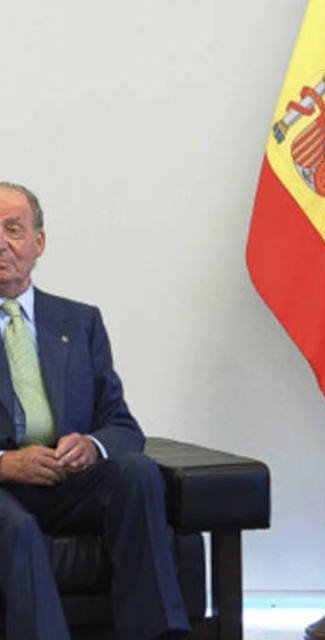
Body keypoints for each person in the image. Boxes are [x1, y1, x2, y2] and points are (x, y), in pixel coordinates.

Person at [0, 182, 188, 639]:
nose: (1, 244)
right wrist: (5, 463)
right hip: (4, 487)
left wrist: (92, 446)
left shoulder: (80, 322)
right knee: (19, 528)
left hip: (67, 481)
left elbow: (122, 425)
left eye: (13, 229)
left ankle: (155, 634)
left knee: (137, 472)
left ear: (39, 241)